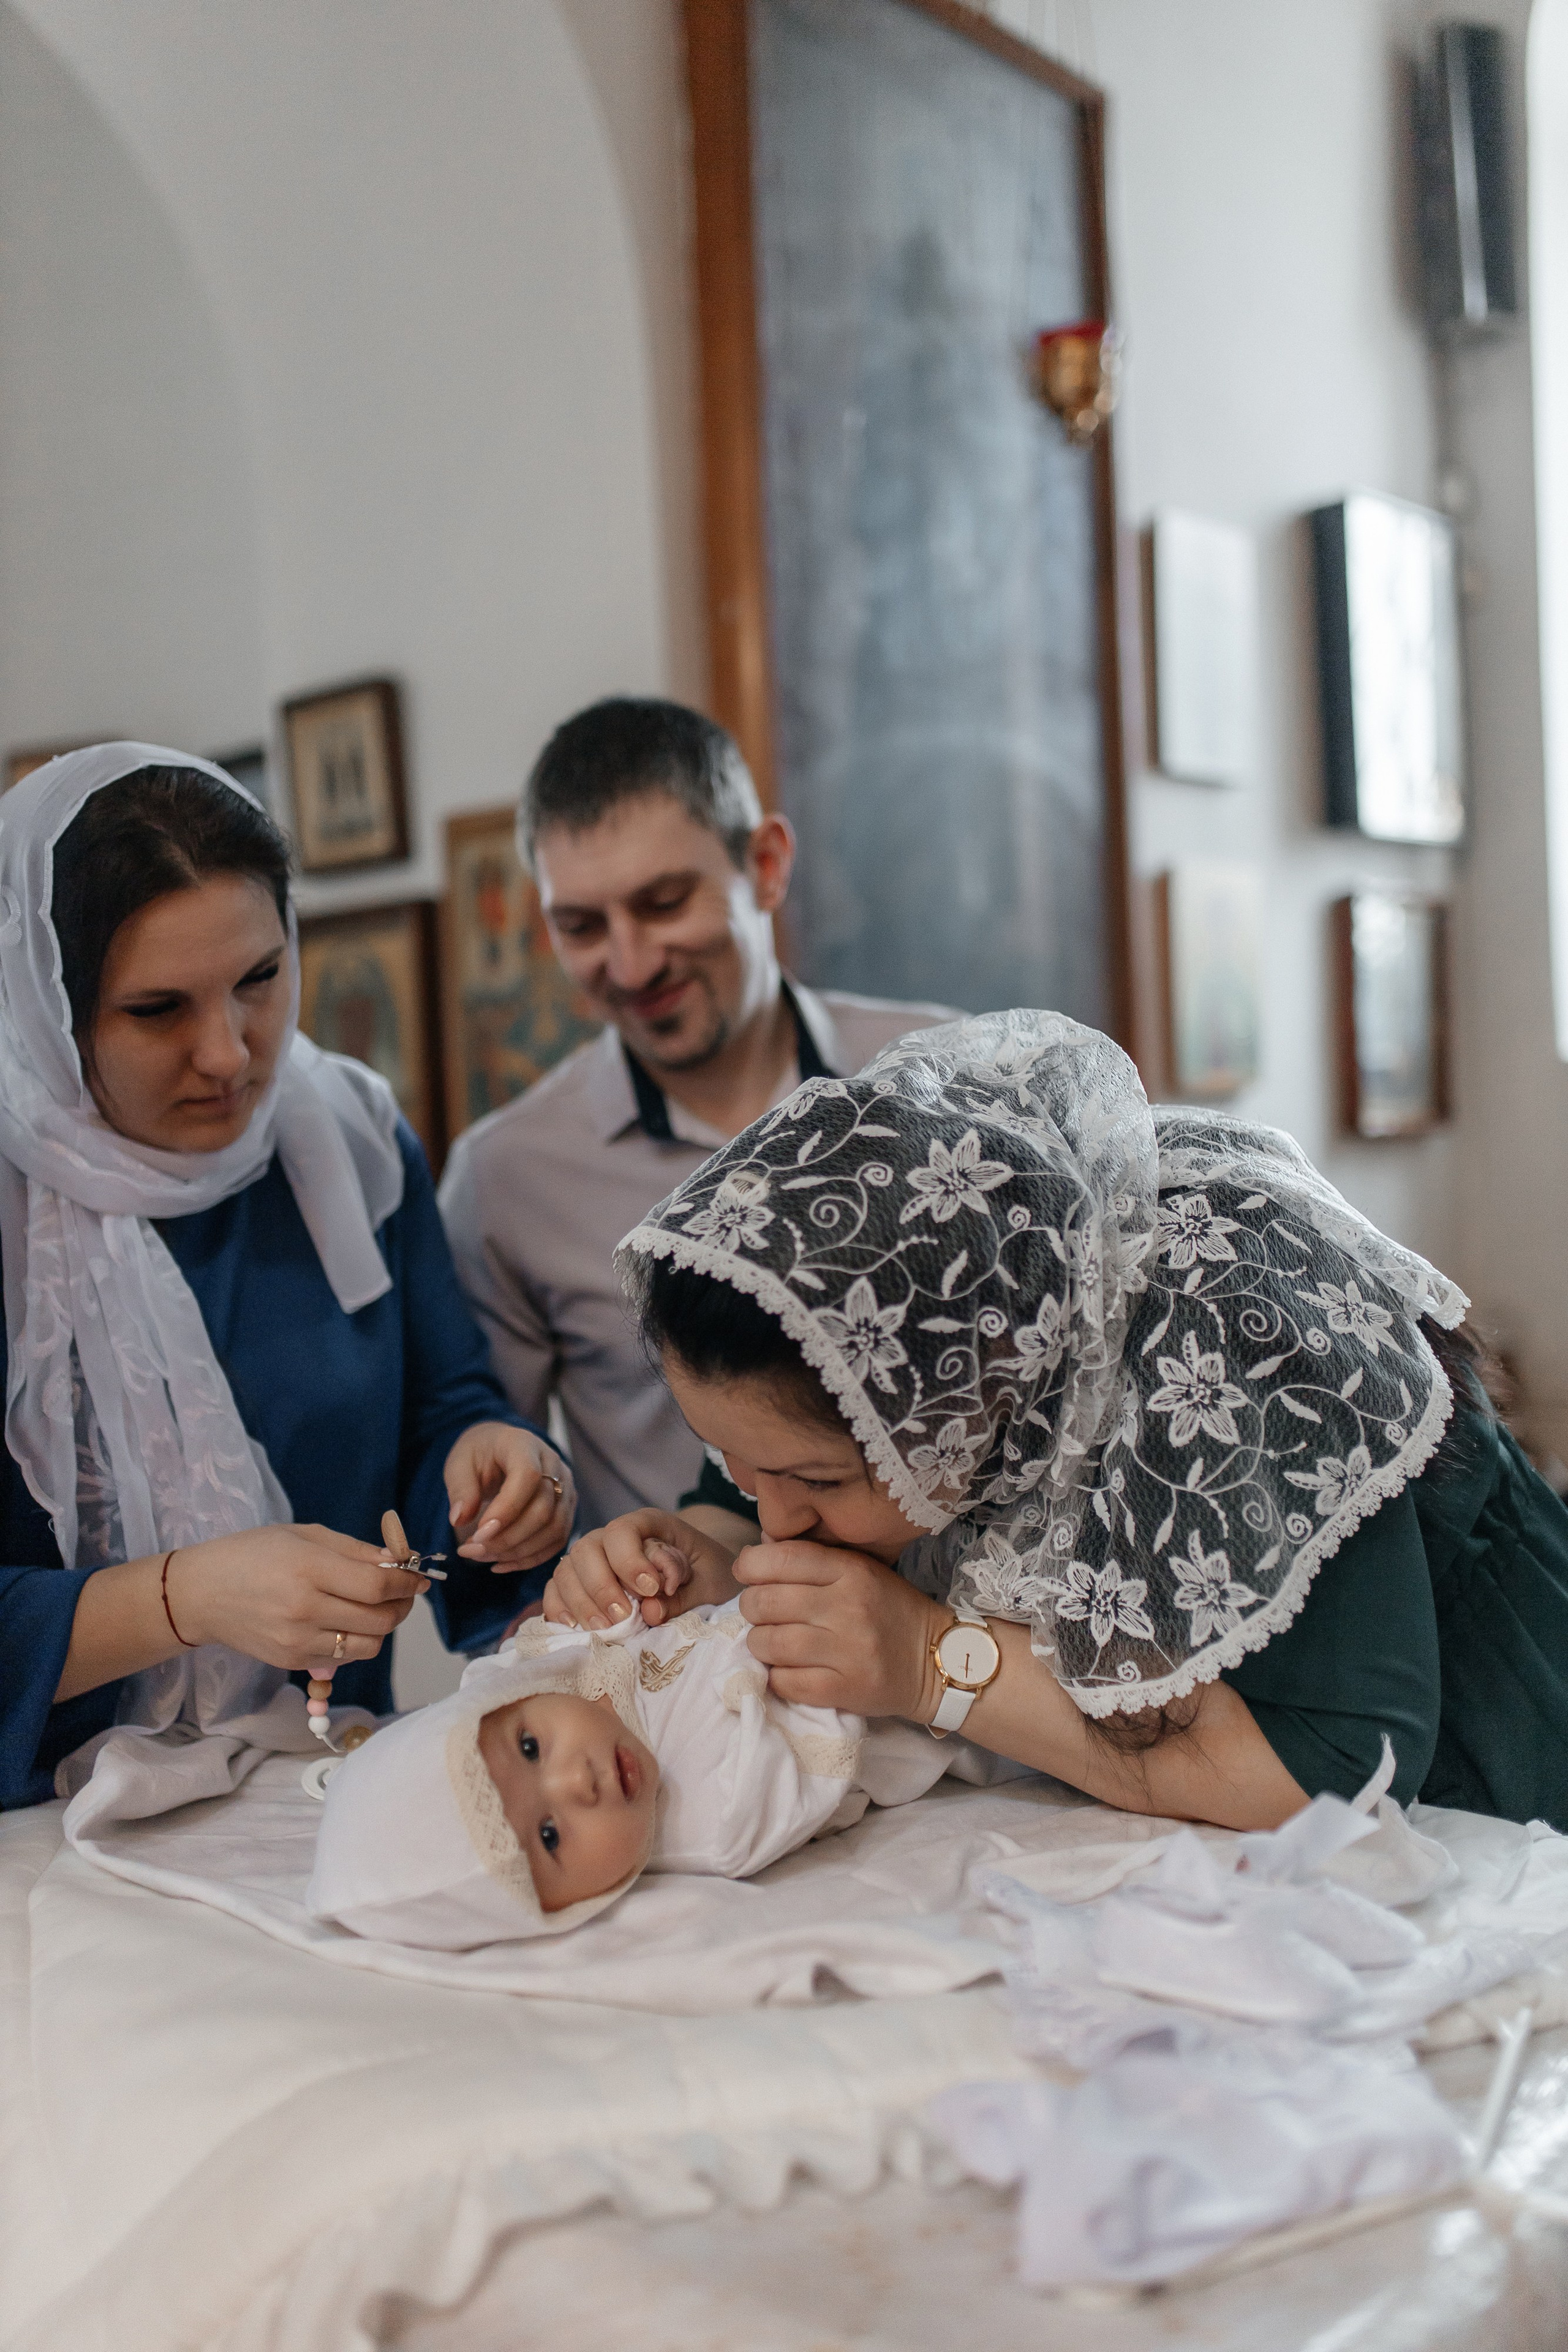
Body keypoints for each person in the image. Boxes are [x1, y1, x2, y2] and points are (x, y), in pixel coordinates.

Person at [552, 1008, 1568, 1836]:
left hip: (1503, 1772)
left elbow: (1341, 1779)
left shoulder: (1214, 1350)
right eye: (738, 1467)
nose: (774, 1517)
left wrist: (930, 1663)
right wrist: (700, 1554)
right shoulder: (844, 1350)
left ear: (966, 1396)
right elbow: (757, 1492)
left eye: (815, 1486)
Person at [0, 745, 574, 1811]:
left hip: (326, 1789)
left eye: (261, 979)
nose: (229, 1054)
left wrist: (497, 1472)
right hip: (39, 1842)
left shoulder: (345, 1139)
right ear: (46, 1006)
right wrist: (183, 1599)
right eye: (158, 1009)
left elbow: (437, 1417)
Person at [437, 697, 952, 1538]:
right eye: (582, 926)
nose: (631, 965)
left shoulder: (939, 1074)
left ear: (768, 865)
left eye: (665, 902)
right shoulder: (506, 1175)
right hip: (688, 1640)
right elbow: (488, 1475)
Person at [306, 1596, 965, 1948]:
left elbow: (604, 1634)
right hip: (935, 1679)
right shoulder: (719, 1821)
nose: (576, 1784)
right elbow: (828, 1728)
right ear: (570, 1910)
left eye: (531, 1749)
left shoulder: (569, 1678)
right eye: (551, 1838)